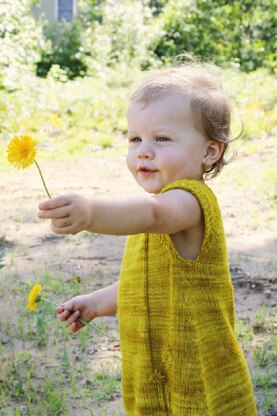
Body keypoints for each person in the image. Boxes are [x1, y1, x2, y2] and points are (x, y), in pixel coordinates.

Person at [38, 62, 257, 415]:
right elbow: (146, 284)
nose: (143, 150)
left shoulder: (188, 202)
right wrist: (97, 302)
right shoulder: (159, 207)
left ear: (209, 152)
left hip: (198, 376)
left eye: (162, 138)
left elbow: (152, 213)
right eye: (135, 138)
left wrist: (90, 213)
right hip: (157, 369)